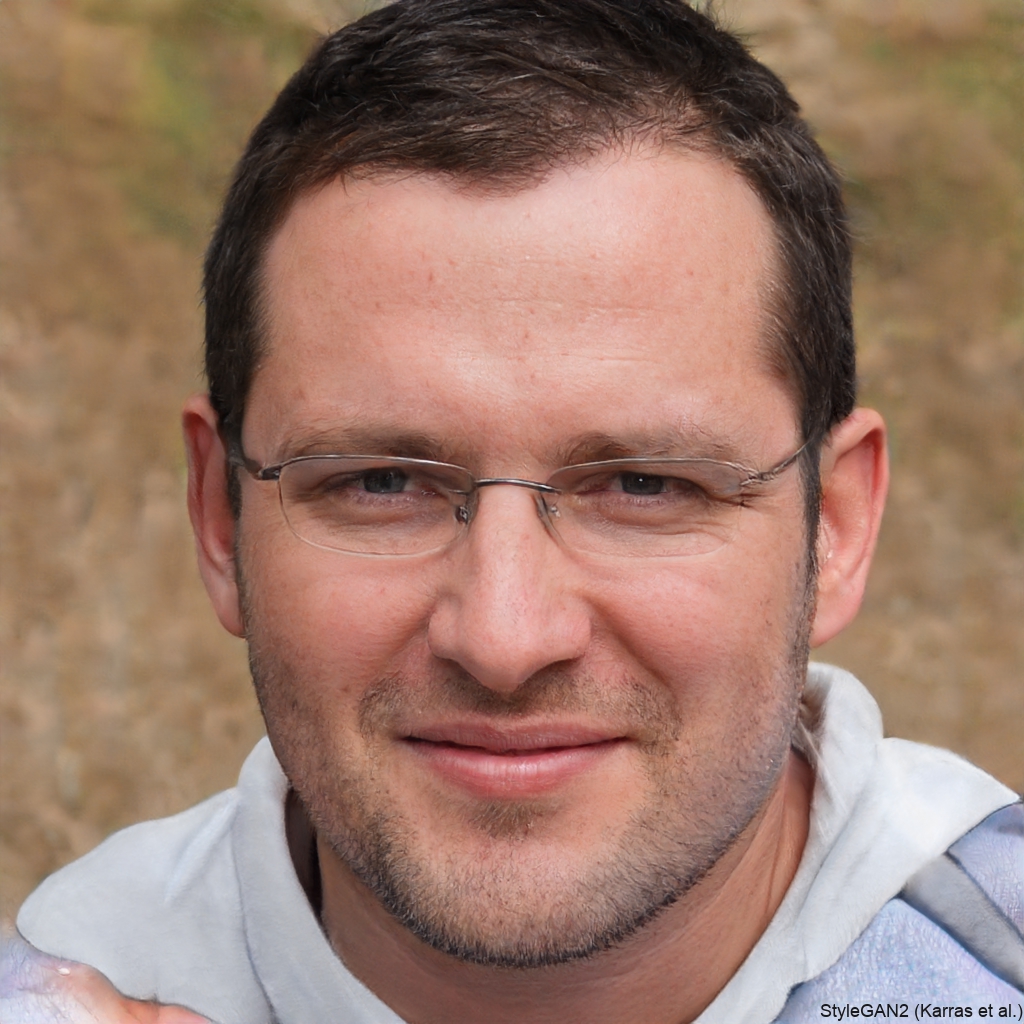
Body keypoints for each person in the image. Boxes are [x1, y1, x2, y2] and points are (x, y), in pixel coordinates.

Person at [3, 1, 1021, 1021]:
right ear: (221, 519)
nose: (504, 638)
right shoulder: (70, 977)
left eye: (644, 485)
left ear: (833, 525)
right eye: (382, 482)